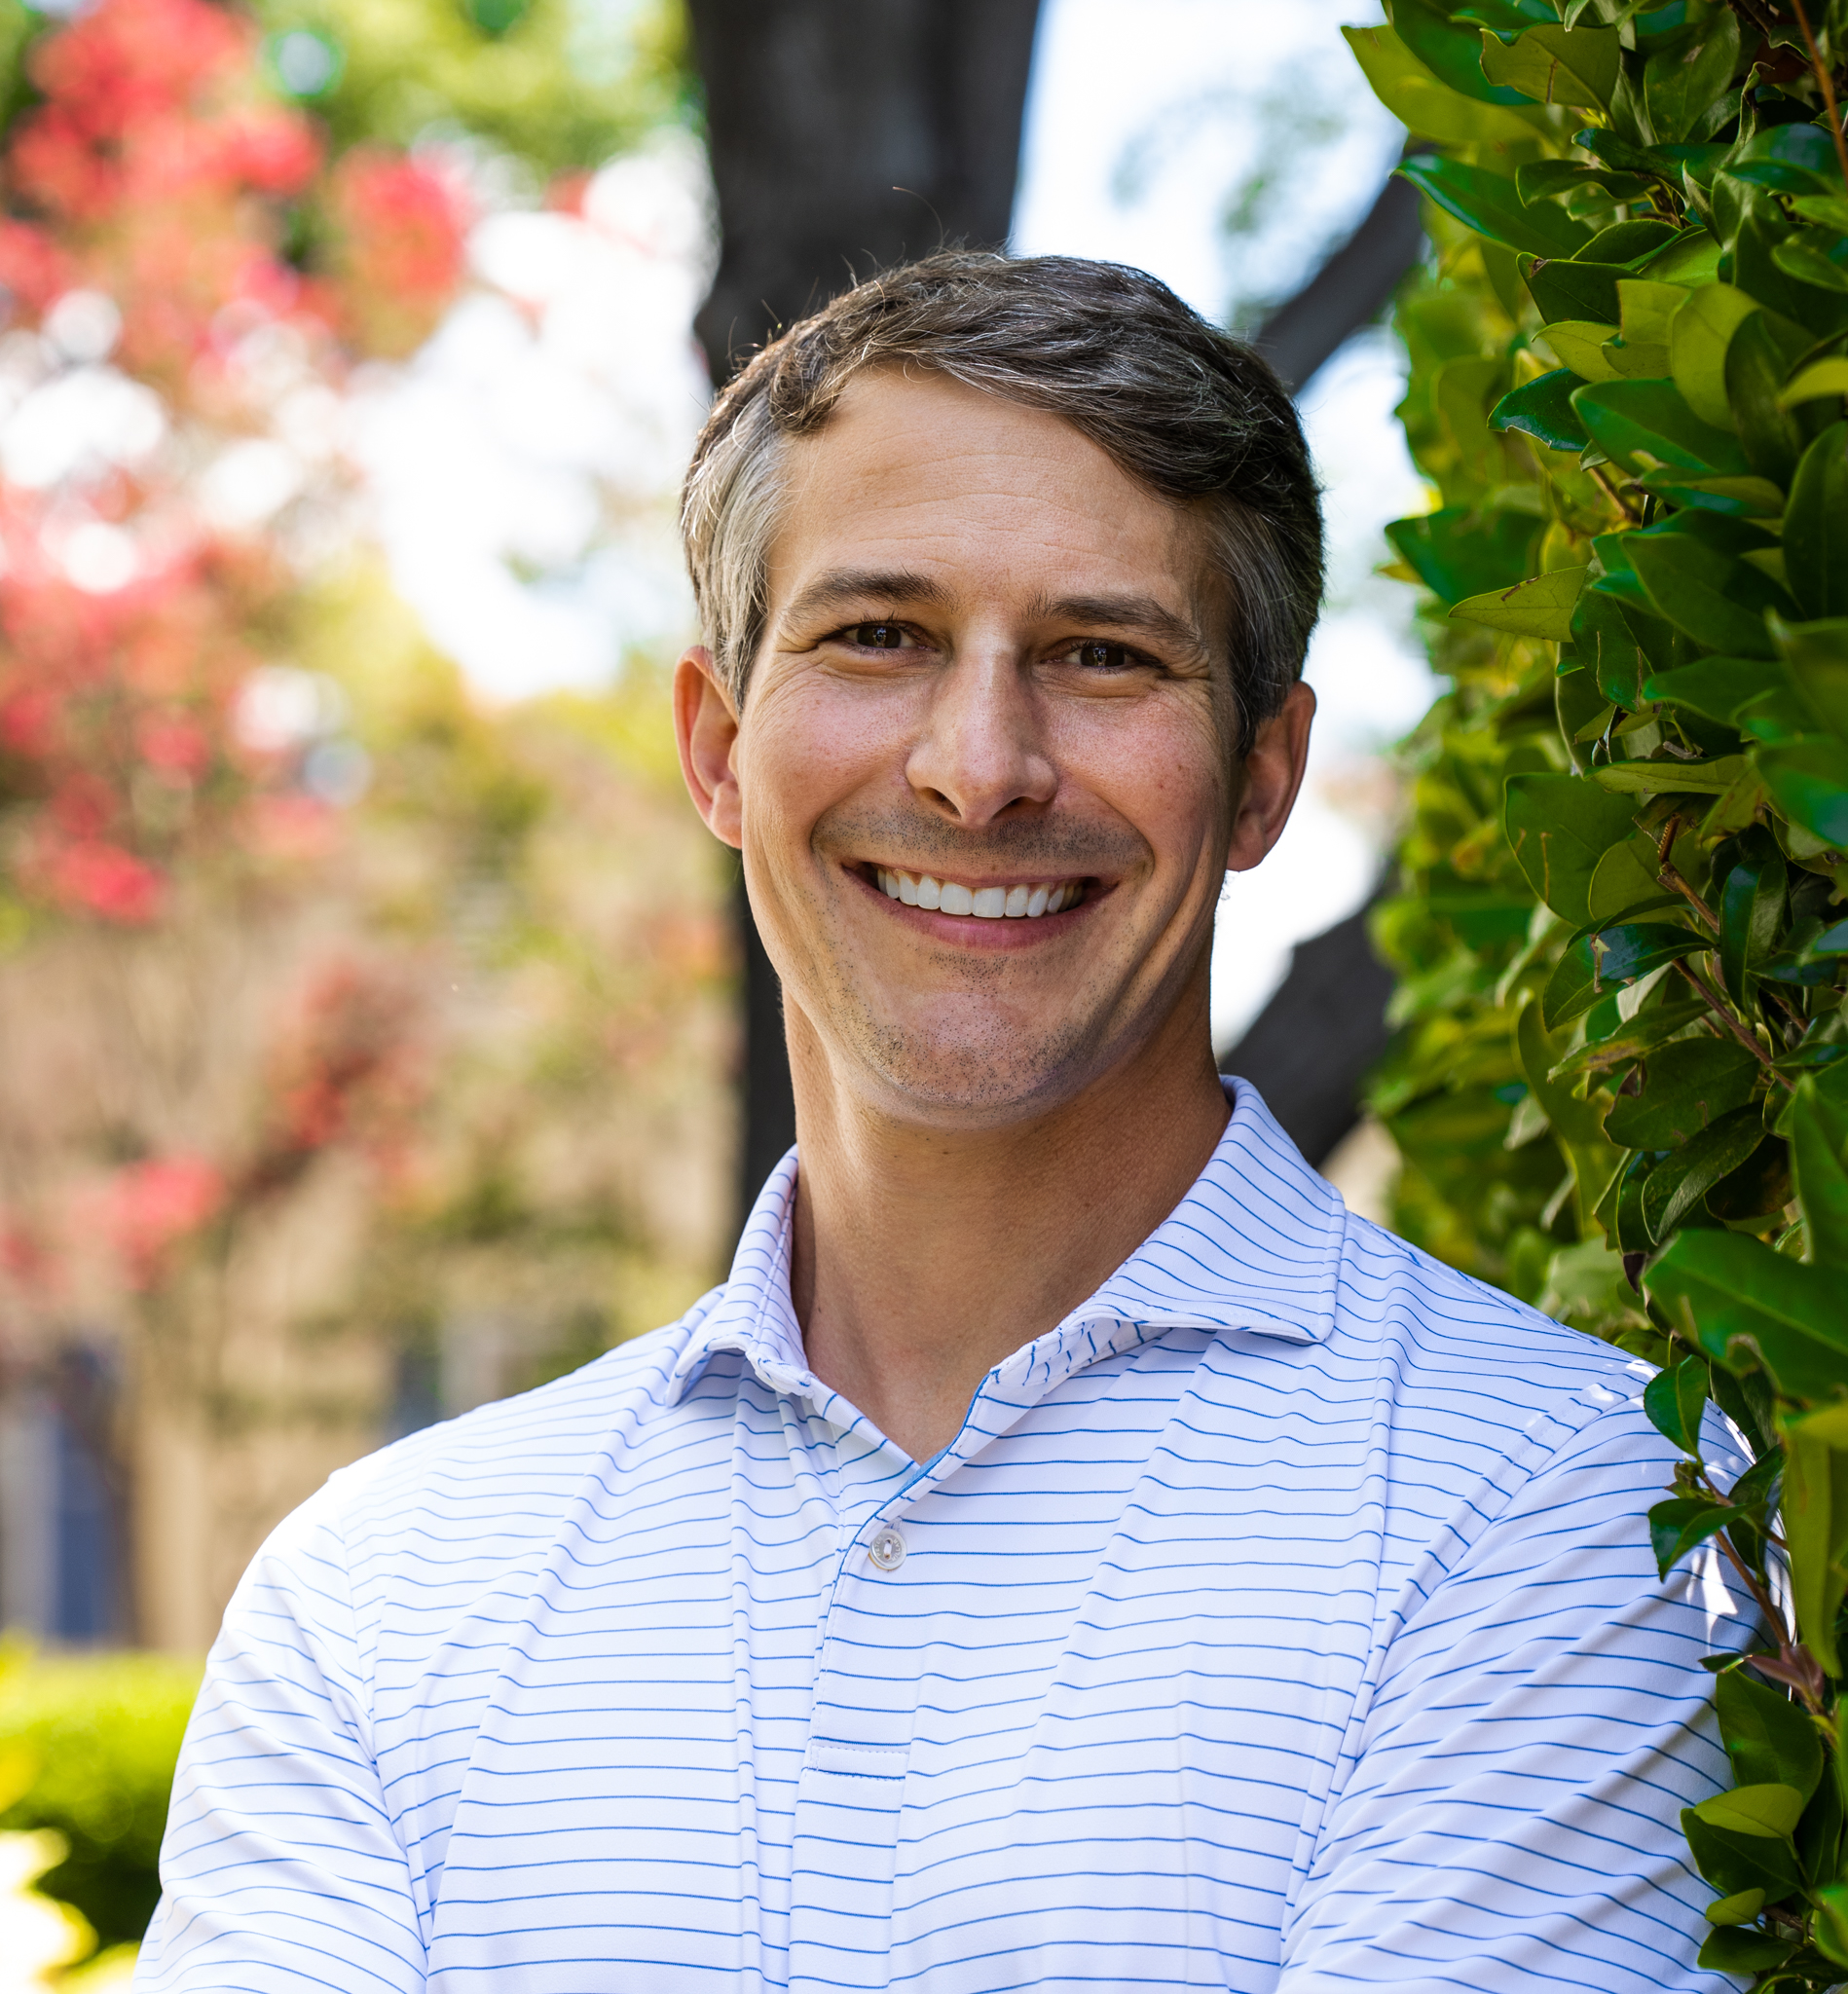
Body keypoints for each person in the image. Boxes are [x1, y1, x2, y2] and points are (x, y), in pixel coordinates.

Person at [136, 252, 1752, 1994]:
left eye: (1101, 653)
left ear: (1263, 778)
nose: (978, 767)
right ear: (717, 748)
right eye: (878, 636)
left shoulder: (1570, 1509)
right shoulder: (382, 1599)